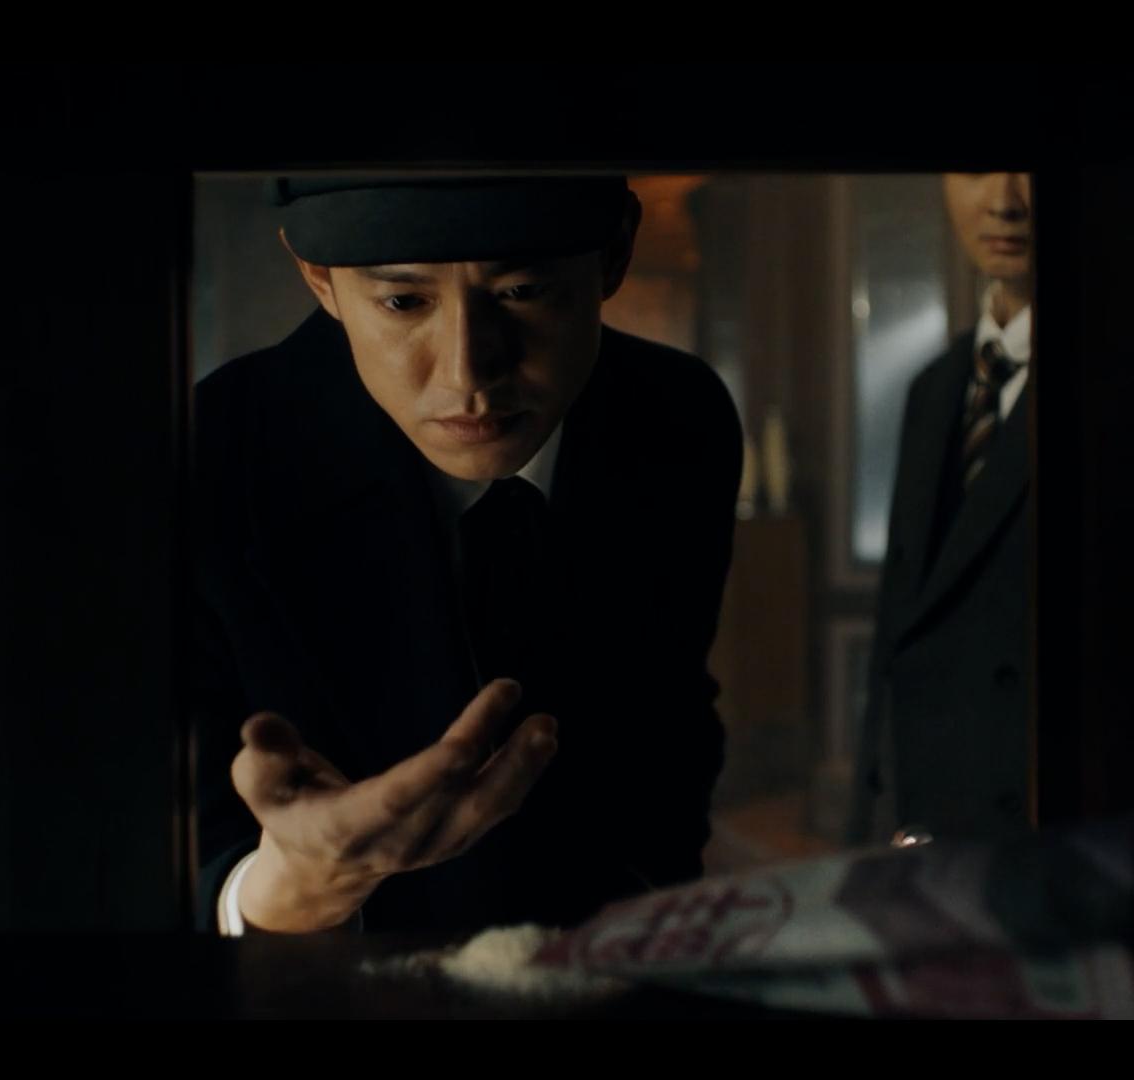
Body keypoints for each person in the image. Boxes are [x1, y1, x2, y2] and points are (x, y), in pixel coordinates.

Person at [192, 176, 743, 935]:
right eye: (403, 302)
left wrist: (652, 906)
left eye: (522, 292)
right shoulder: (210, 457)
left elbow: (670, 721)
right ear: (319, 279)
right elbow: (164, 855)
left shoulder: (678, 416)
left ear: (614, 255)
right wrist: (293, 891)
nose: (468, 374)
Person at [849, 172, 1035, 847]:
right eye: (977, 166)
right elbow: (899, 632)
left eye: (1029, 165)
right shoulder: (936, 386)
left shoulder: (1118, 373)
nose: (1005, 201)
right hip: (926, 825)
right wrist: (868, 824)